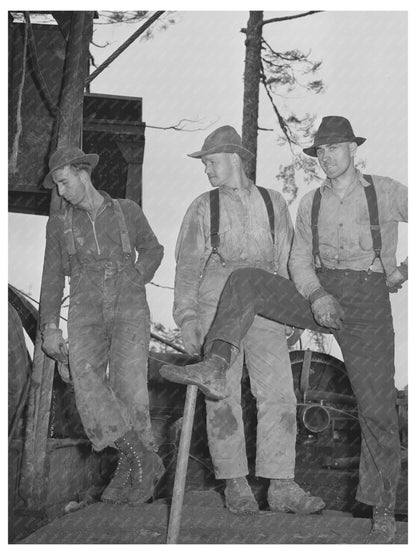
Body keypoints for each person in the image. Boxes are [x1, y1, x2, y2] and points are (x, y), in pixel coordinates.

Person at [160, 116, 407, 543]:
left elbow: (287, 257)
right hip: (275, 296)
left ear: (352, 148)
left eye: (333, 148)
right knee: (240, 308)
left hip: (355, 298)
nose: (326, 157)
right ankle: (219, 387)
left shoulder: (369, 193)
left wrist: (403, 270)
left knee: (345, 403)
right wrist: (314, 297)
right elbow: (290, 261)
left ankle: (349, 499)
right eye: (320, 151)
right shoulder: (290, 204)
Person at [162, 125, 324, 515]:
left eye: (211, 162)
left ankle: (281, 484)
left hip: (266, 301)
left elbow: (288, 259)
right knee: (222, 393)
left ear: (235, 159)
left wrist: (292, 314)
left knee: (279, 393)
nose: (207, 170)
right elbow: (186, 268)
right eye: (204, 164)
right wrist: (187, 319)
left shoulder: (273, 202)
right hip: (217, 305)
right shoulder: (204, 206)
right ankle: (235, 482)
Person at [40, 146, 165, 506]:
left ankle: (129, 470)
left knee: (130, 388)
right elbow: (52, 280)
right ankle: (143, 457)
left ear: (83, 173)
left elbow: (154, 249)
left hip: (128, 301)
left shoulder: (126, 211)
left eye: (64, 182)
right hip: (84, 303)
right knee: (85, 380)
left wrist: (138, 276)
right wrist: (50, 326)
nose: (61, 192)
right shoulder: (60, 224)